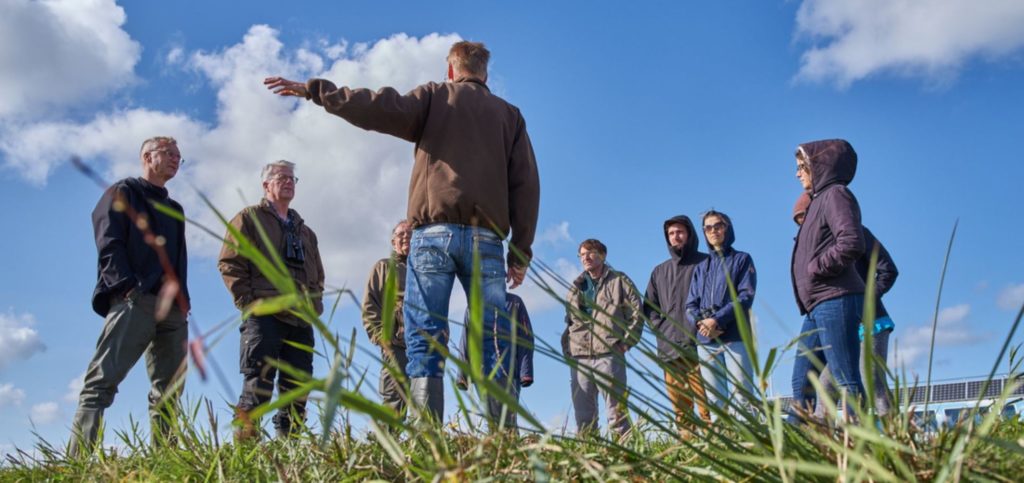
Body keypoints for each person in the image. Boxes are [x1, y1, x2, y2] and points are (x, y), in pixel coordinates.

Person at [265, 40, 540, 424]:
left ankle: (429, 438)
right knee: (492, 337)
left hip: (432, 236)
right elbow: (526, 185)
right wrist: (521, 252)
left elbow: (377, 106)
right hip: (487, 241)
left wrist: (317, 91)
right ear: (485, 73)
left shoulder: (434, 97)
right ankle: (502, 435)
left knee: (425, 335)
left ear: (451, 69)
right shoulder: (509, 116)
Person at [70, 136, 190, 455]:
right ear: (147, 157)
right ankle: (77, 462)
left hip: (173, 311)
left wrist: (184, 301)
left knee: (170, 392)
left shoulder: (175, 209)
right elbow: (108, 241)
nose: (175, 160)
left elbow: (178, 258)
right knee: (101, 382)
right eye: (169, 153)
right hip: (135, 301)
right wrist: (126, 287)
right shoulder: (123, 192)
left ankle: (166, 462)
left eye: (179, 156)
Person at [218, 160, 326, 439]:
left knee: (298, 389)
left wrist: (313, 307)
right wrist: (249, 303)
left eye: (292, 178)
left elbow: (317, 275)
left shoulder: (305, 232)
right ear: (266, 185)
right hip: (265, 315)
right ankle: (244, 453)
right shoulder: (249, 219)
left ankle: (288, 450)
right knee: (258, 387)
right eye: (281, 177)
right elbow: (230, 262)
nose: (289, 182)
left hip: (300, 319)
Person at [793, 193, 899, 417]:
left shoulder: (857, 232)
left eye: (806, 217)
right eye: (799, 221)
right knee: (825, 386)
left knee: (873, 382)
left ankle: (897, 434)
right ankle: (828, 437)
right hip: (838, 324)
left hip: (870, 322)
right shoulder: (812, 246)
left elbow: (888, 270)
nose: (804, 225)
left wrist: (865, 299)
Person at [789, 139, 867, 422]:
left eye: (802, 167)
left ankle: (861, 442)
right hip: (816, 305)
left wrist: (816, 267)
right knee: (802, 382)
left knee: (846, 378)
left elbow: (851, 241)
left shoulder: (836, 194)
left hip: (835, 297)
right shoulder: (817, 202)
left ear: (819, 166)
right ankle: (800, 445)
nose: (798, 173)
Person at [564, 239, 643, 437]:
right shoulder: (575, 287)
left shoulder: (619, 280)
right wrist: (568, 351)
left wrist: (626, 343)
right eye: (582, 255)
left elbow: (636, 313)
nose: (586, 258)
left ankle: (624, 451)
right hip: (580, 357)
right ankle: (589, 454)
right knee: (583, 417)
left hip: (609, 353)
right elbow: (569, 323)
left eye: (590, 253)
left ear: (603, 255)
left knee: (617, 413)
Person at [643, 216, 713, 438]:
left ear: (690, 234)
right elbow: (649, 307)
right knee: (680, 407)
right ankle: (687, 444)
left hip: (700, 344)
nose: (676, 237)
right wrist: (661, 328)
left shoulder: (706, 262)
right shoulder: (659, 271)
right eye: (671, 233)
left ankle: (714, 443)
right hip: (669, 347)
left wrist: (703, 324)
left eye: (680, 232)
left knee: (707, 402)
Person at [685, 211, 757, 413]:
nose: (713, 231)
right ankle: (722, 435)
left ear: (727, 228)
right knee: (715, 401)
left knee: (743, 397)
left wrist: (717, 320)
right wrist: (702, 323)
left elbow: (745, 296)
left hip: (735, 336)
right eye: (708, 227)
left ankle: (750, 434)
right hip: (706, 341)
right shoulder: (701, 268)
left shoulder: (742, 259)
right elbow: (690, 304)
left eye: (718, 226)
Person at [456, 292, 535, 429]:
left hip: (509, 371)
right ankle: (497, 441)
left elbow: (526, 338)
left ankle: (507, 441)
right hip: (482, 373)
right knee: (492, 418)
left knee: (507, 419)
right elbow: (466, 339)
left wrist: (525, 372)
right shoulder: (473, 305)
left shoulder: (515, 303)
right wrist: (462, 375)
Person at [361, 220, 412, 424]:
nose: (406, 237)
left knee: (422, 398)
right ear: (393, 242)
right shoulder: (383, 267)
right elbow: (369, 305)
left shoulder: (425, 269)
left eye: (410, 234)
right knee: (394, 399)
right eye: (401, 234)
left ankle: (422, 442)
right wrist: (382, 337)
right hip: (396, 343)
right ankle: (388, 441)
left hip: (422, 344)